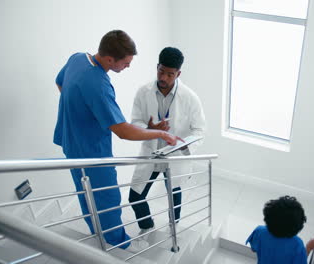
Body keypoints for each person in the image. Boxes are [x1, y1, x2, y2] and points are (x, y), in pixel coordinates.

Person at [54, 30, 181, 252]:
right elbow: (123, 131)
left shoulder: (77, 58)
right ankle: (118, 245)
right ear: (110, 59)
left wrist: (79, 112)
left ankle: (97, 234)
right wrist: (160, 134)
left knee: (86, 195)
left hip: (70, 143)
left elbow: (60, 83)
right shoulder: (99, 84)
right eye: (126, 62)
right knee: (108, 201)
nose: (128, 67)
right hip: (92, 153)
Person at [128, 47, 205, 236]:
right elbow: (134, 121)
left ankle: (173, 228)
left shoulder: (190, 98)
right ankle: (147, 226)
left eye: (170, 74)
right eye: (161, 71)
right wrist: (149, 129)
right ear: (157, 67)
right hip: (151, 154)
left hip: (174, 155)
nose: (164, 78)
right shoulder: (143, 92)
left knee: (174, 197)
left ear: (178, 74)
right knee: (135, 196)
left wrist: (183, 146)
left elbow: (199, 130)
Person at [246, 196, 314, 264]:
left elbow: (254, 248)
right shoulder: (297, 244)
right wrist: (309, 247)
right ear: (298, 227)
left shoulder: (259, 231)